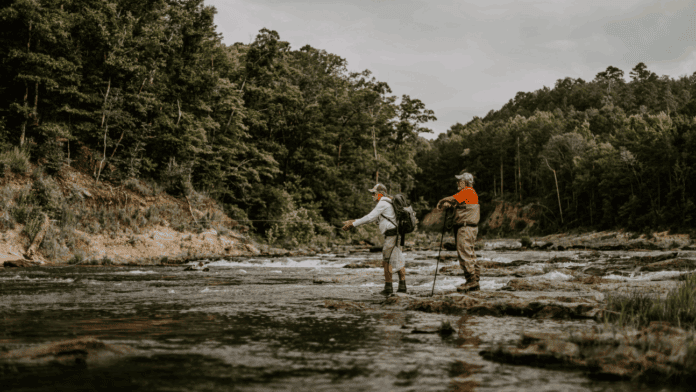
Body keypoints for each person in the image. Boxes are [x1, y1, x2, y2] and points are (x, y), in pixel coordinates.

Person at [342, 183, 406, 295]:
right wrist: (353, 221)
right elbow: (372, 219)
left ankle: (388, 288)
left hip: (391, 235)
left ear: (380, 194)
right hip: (396, 235)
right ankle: (402, 286)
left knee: (386, 261)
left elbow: (369, 217)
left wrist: (353, 225)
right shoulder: (388, 202)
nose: (372, 195)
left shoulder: (382, 203)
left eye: (374, 193)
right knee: (398, 259)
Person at [436, 170, 480, 293]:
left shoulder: (467, 191)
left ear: (465, 182)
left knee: (464, 253)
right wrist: (452, 205)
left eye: (460, 181)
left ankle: (471, 281)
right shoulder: (470, 193)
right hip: (470, 228)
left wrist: (442, 202)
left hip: (465, 228)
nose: (458, 182)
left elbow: (452, 199)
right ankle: (474, 280)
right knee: (470, 253)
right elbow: (458, 203)